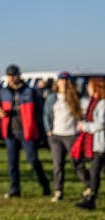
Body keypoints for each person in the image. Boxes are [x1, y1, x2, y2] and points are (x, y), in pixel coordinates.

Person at [0, 65, 51, 198]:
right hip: (10, 132)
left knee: (33, 160)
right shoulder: (3, 92)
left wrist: (41, 132)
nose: (11, 78)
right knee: (12, 163)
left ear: (18, 76)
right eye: (9, 76)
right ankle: (14, 189)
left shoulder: (30, 92)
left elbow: (39, 113)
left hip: (27, 132)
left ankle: (45, 184)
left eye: (13, 75)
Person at [43, 73, 84, 201]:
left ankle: (89, 186)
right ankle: (58, 191)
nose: (64, 82)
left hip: (71, 134)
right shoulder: (52, 97)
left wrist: (80, 124)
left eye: (66, 80)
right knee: (57, 165)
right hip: (56, 135)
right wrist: (48, 129)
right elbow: (46, 114)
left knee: (77, 162)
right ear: (57, 82)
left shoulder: (75, 97)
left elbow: (80, 114)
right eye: (61, 80)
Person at [74, 77, 105, 210]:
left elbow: (101, 124)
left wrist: (84, 126)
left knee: (94, 171)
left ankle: (91, 199)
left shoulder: (102, 104)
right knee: (95, 171)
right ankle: (90, 198)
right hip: (97, 143)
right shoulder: (94, 102)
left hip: (101, 144)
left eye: (90, 86)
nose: (88, 88)